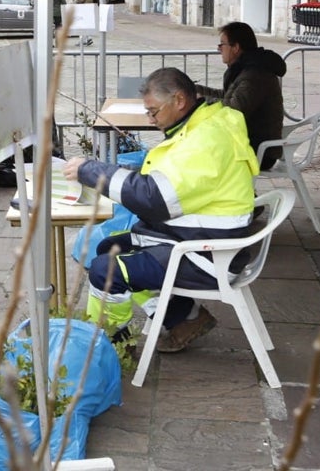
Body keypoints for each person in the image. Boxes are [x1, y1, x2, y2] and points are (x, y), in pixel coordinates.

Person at [62, 67, 257, 351]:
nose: (151, 120)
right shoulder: (207, 124)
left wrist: (92, 172)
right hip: (200, 239)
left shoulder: (205, 140)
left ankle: (106, 344)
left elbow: (156, 199)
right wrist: (123, 173)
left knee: (107, 269)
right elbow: (173, 179)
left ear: (179, 101)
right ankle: (183, 317)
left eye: (153, 112)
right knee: (108, 246)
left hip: (208, 254)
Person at [197, 22, 287, 170]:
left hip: (258, 151)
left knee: (199, 150)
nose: (219, 49)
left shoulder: (254, 75)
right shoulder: (245, 69)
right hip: (245, 141)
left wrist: (199, 99)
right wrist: (192, 89)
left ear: (236, 47)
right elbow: (227, 96)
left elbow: (233, 108)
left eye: (222, 44)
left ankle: (231, 191)